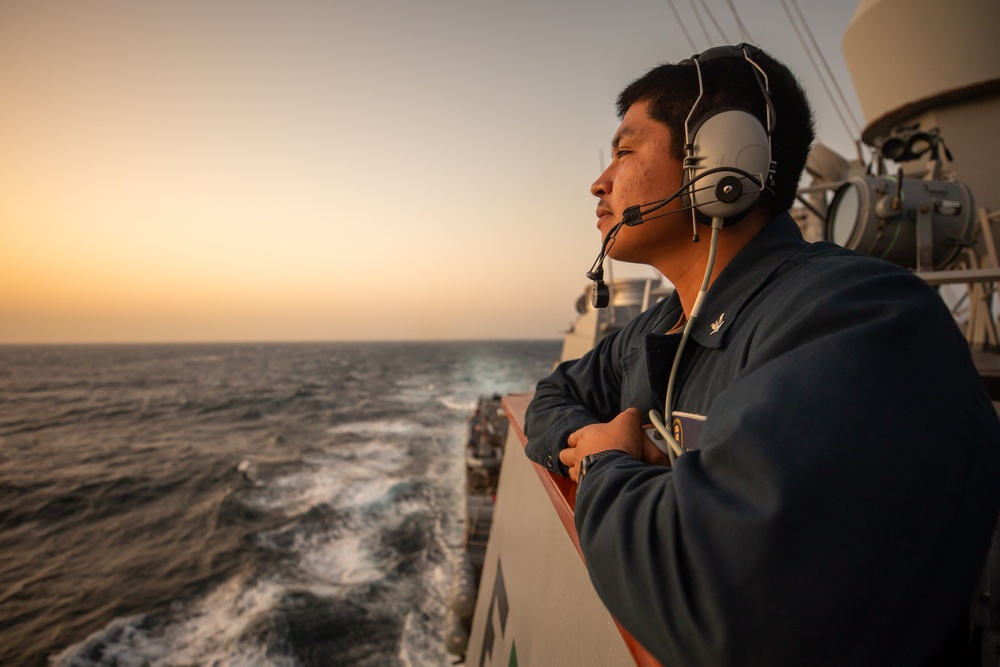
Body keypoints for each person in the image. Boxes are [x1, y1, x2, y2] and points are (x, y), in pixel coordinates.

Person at [523, 44, 1000, 666]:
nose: (599, 181)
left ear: (720, 160)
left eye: (625, 150)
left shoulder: (861, 317)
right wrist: (590, 438)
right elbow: (552, 398)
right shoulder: (655, 329)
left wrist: (608, 465)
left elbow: (727, 605)